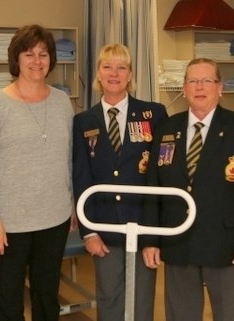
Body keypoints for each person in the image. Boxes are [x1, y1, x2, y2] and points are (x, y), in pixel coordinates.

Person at [141, 57, 234, 321]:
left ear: (220, 87)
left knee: (230, 315)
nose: (199, 87)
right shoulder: (167, 128)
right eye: (192, 81)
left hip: (227, 246)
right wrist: (151, 238)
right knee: (180, 315)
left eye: (207, 80)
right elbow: (153, 186)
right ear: (184, 89)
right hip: (178, 240)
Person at [0, 24, 75, 321]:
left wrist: (70, 204)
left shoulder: (61, 103)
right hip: (8, 224)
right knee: (9, 300)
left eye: (43, 54)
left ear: (51, 59)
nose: (37, 61)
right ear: (16, 59)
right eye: (28, 54)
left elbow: (68, 158)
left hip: (53, 218)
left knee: (46, 297)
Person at [72, 43, 168, 321]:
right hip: (104, 226)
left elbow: (161, 174)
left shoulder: (154, 114)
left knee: (141, 299)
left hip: (143, 224)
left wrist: (156, 233)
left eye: (121, 67)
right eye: (107, 67)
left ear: (130, 74)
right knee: (109, 297)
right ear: (98, 74)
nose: (114, 73)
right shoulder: (82, 121)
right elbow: (81, 178)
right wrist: (88, 232)